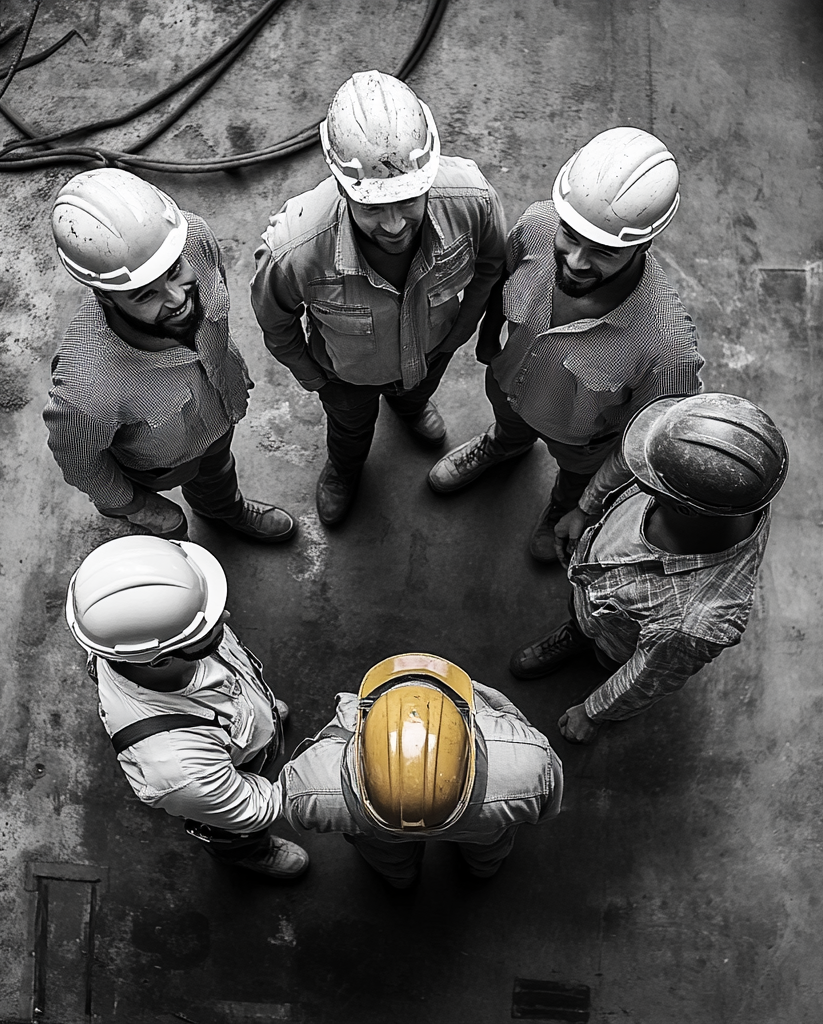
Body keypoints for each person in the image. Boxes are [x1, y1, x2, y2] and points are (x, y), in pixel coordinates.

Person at [429, 126, 705, 563]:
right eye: (571, 237)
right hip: (508, 385)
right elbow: (502, 281)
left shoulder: (666, 348)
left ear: (643, 243)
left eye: (602, 252)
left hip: (582, 443)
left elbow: (640, 444)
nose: (576, 262)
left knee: (576, 476)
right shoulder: (538, 225)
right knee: (510, 422)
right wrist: (487, 341)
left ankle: (563, 501)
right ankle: (505, 444)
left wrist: (585, 506)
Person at [250, 70, 507, 525]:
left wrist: (457, 335)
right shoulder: (295, 249)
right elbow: (277, 323)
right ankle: (345, 468)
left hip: (432, 352)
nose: (393, 225)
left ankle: (411, 407)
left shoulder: (472, 200)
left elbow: (490, 265)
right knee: (349, 428)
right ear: (342, 185)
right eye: (371, 206)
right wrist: (318, 380)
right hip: (345, 378)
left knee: (415, 392)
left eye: (409, 199)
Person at [508, 393, 789, 745]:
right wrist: (585, 507)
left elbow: (648, 677)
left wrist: (593, 711)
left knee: (604, 653)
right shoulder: (727, 476)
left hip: (618, 641)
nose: (640, 474)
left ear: (684, 509)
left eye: (649, 480)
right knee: (582, 620)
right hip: (596, 596)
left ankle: (589, 643)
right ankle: (577, 631)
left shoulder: (692, 623)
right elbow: (630, 459)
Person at [45, 168, 296, 544]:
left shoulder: (192, 238)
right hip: (157, 467)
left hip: (219, 416)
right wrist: (141, 508)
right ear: (104, 296)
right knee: (169, 537)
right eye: (146, 295)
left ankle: (222, 510)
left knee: (218, 474)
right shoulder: (86, 391)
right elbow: (81, 462)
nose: (178, 299)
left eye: (175, 271)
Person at [65, 535, 309, 878]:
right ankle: (248, 853)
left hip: (236, 722)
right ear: (158, 661)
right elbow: (250, 807)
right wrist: (315, 785)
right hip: (219, 785)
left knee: (261, 720)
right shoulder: (179, 767)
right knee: (234, 832)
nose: (225, 615)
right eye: (206, 630)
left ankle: (253, 724)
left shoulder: (141, 635)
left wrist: (255, 712)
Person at [281, 653, 562, 889]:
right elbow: (548, 809)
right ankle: (482, 871)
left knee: (390, 860)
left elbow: (293, 810)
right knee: (488, 851)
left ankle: (400, 880)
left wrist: (337, 734)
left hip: (375, 833)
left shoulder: (310, 783)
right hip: (483, 826)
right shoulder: (529, 762)